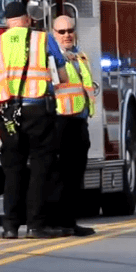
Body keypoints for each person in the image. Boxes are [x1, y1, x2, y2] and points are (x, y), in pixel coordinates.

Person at [0, 2, 69, 239]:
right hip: (38, 109)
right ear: (27, 18)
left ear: (8, 21)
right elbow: (62, 73)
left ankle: (10, 226)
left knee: (12, 169)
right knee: (40, 167)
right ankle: (35, 225)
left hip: (8, 113)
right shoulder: (42, 39)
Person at [48, 15, 96, 236]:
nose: (66, 34)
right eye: (61, 31)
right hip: (60, 120)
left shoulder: (79, 56)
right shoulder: (50, 58)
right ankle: (57, 222)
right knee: (59, 175)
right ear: (53, 33)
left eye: (70, 30)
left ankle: (69, 222)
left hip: (79, 120)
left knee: (75, 175)